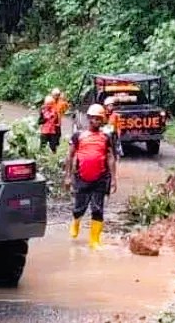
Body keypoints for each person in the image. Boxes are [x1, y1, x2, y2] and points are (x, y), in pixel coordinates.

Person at [64, 103, 118, 249]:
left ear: (103, 120)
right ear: (88, 118)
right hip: (81, 177)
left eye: (99, 119)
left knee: (97, 209)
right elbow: (69, 156)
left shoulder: (106, 137)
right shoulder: (78, 136)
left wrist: (113, 180)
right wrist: (68, 176)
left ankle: (94, 241)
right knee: (79, 208)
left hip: (100, 178)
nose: (96, 121)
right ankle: (76, 221)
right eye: (94, 118)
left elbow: (111, 157)